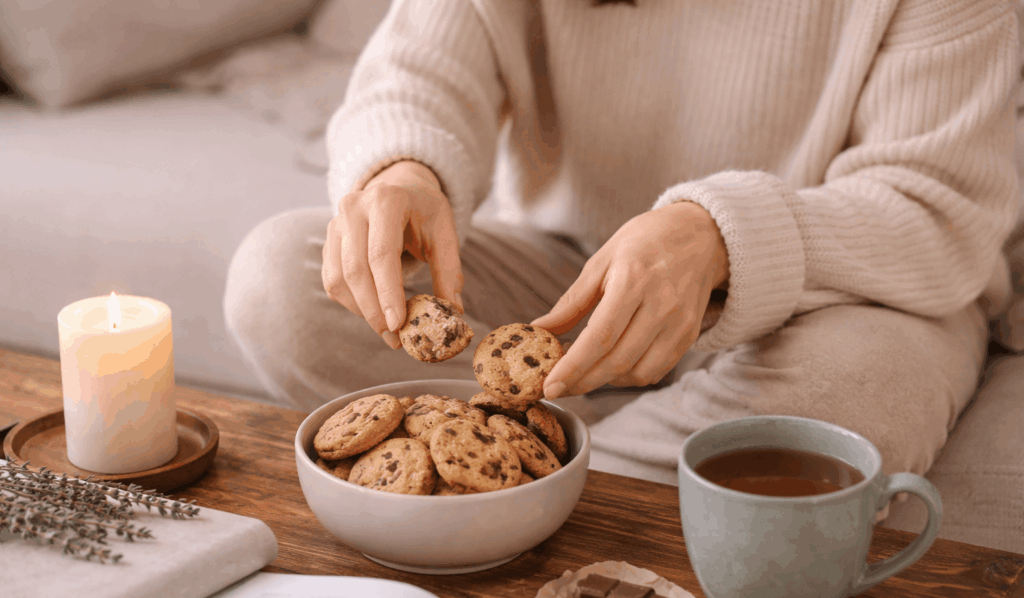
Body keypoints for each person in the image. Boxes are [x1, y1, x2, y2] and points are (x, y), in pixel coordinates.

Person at [224, 0, 1020, 487]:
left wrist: (719, 236)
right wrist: (402, 168)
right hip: (574, 271)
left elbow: (936, 210)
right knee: (278, 281)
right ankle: (629, 465)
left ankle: (536, 486)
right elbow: (419, 71)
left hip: (849, 296)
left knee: (858, 393)